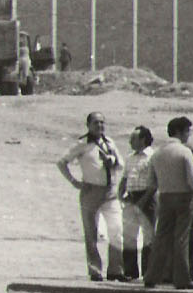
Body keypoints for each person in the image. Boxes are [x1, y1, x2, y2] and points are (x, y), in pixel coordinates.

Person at [56, 111, 122, 281]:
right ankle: (95, 270)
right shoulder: (82, 143)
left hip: (110, 191)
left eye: (102, 123)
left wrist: (112, 161)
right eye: (95, 123)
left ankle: (115, 270)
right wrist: (73, 181)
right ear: (88, 125)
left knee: (116, 229)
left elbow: (121, 164)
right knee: (91, 233)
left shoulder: (110, 143)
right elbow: (62, 162)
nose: (99, 126)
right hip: (91, 191)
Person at [144, 117, 193, 289]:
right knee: (181, 238)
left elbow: (151, 182)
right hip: (183, 196)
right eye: (188, 131)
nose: (189, 135)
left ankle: (152, 275)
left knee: (161, 237)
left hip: (165, 196)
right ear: (180, 131)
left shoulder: (157, 153)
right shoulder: (184, 151)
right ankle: (182, 278)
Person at [119, 126, 157, 282]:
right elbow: (125, 177)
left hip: (146, 198)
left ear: (143, 139)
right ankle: (130, 272)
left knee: (148, 236)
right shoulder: (130, 157)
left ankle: (148, 272)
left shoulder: (152, 157)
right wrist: (120, 194)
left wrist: (144, 199)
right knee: (129, 236)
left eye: (133, 138)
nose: (130, 141)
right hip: (131, 197)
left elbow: (155, 182)